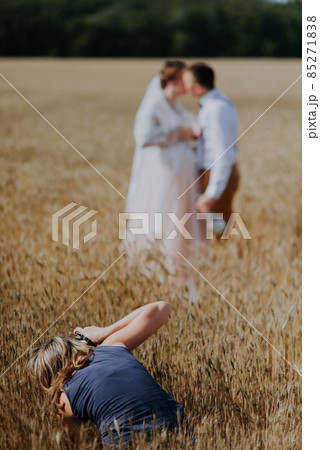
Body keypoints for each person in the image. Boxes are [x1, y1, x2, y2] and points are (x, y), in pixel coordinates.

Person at [28, 302, 188, 447]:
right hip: (185, 438)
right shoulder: (112, 346)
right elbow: (161, 308)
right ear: (73, 346)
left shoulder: (64, 400)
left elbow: (80, 445)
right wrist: (104, 332)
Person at [125, 61, 202, 285]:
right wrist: (178, 135)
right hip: (165, 176)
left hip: (182, 176)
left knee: (181, 224)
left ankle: (178, 273)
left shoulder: (175, 106)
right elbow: (144, 138)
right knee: (165, 220)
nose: (188, 84)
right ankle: (158, 272)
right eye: (183, 79)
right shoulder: (154, 104)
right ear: (172, 80)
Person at [182, 63, 240, 234]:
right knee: (216, 229)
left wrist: (212, 193)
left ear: (198, 88)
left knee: (221, 231)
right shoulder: (216, 102)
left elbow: (223, 154)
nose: (184, 87)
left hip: (216, 174)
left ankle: (229, 259)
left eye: (186, 83)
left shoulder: (216, 109)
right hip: (213, 172)